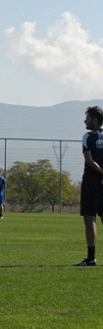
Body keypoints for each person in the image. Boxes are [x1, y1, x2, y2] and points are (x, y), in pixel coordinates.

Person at [76, 106, 103, 266]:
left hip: (91, 182)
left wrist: (101, 171)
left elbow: (89, 160)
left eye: (87, 118)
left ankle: (91, 258)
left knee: (90, 219)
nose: (85, 121)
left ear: (94, 120)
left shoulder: (88, 136)